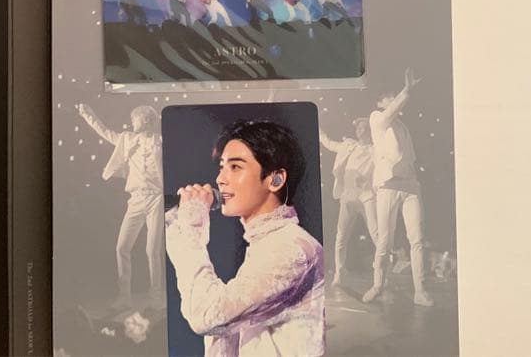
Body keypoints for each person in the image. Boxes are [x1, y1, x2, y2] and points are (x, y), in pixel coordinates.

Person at [166, 120, 324, 357]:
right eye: (222, 167)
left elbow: (208, 316)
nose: (220, 179)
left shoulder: (292, 249)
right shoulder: (267, 243)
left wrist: (191, 229)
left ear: (275, 180)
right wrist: (175, 222)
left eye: (235, 167)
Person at [77, 103, 164, 308]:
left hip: (156, 199)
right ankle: (124, 297)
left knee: (152, 250)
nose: (132, 122)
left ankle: (156, 296)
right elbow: (104, 132)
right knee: (122, 247)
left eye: (135, 118)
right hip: (135, 200)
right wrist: (88, 114)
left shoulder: (161, 141)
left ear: (146, 120)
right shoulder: (127, 139)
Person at [362, 67, 434, 306]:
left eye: (395, 96)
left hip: (410, 186)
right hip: (388, 186)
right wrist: (406, 91)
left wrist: (414, 179)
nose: (393, 100)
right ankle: (378, 285)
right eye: (389, 97)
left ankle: (420, 291)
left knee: (417, 239)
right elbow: (389, 114)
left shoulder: (402, 126)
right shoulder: (376, 118)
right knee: (385, 241)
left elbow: (408, 155)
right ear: (380, 102)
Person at [319, 119, 378, 287]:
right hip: (347, 197)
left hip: (366, 196)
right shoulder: (349, 146)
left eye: (363, 128)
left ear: (369, 131)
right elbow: (329, 144)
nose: (359, 130)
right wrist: (319, 131)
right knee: (341, 236)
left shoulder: (376, 149)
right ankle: (339, 273)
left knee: (376, 234)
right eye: (358, 128)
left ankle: (381, 274)